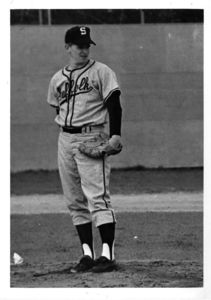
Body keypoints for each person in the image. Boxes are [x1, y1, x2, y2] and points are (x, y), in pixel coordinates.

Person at [47, 26, 122, 273]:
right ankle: (87, 254)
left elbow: (114, 104)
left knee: (97, 196)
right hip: (65, 139)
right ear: (67, 47)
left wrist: (114, 135)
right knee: (74, 199)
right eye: (79, 45)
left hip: (92, 136)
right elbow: (58, 110)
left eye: (87, 45)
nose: (84, 49)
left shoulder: (101, 71)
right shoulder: (57, 78)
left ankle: (106, 254)